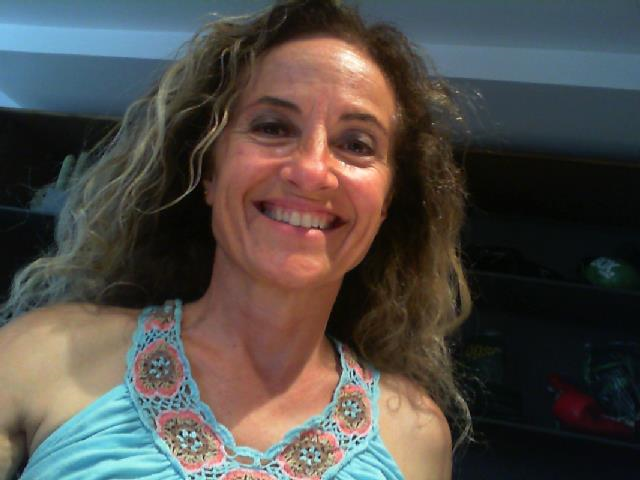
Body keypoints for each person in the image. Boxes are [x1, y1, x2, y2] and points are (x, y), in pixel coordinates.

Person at [0, 0, 471, 478]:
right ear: (209, 169)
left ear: (387, 201)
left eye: (356, 144)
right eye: (273, 127)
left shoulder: (416, 437)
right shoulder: (43, 355)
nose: (311, 171)